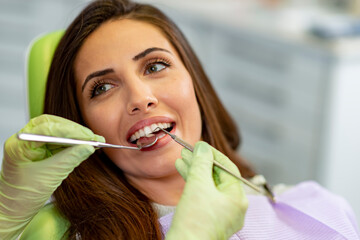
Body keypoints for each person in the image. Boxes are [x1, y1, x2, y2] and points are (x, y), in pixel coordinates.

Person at [0, 0, 358, 239]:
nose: (141, 99)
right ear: (83, 128)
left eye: (155, 66)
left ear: (195, 82)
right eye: (102, 88)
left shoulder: (316, 203)